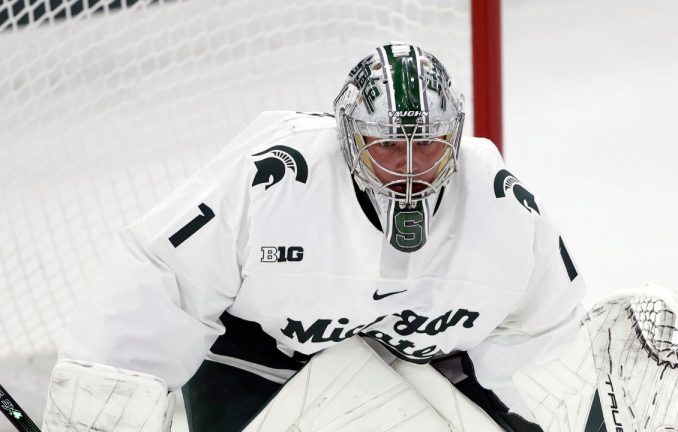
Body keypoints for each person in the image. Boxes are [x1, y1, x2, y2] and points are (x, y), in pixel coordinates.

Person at [42, 43, 586, 432]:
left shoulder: (502, 206)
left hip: (420, 365)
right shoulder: (274, 180)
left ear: (456, 135)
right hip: (260, 358)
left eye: (430, 145)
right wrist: (103, 414)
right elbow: (161, 280)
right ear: (349, 135)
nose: (411, 169)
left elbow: (545, 337)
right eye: (389, 145)